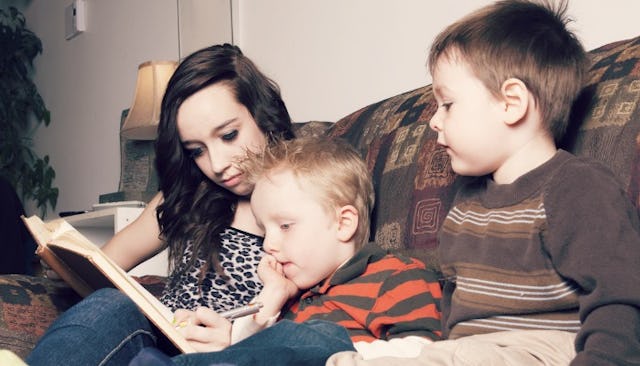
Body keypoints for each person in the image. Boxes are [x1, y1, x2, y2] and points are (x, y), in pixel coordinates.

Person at [327, 1, 640, 365]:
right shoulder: (466, 207)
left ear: (511, 103)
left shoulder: (577, 187)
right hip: (465, 351)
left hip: (540, 350)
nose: (433, 122)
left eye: (447, 104)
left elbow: (621, 299)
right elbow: (455, 320)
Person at [27, 43, 300, 365]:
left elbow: (322, 309)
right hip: (154, 340)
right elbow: (105, 265)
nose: (217, 164)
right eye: (196, 150)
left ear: (263, 115)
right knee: (111, 302)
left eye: (228, 135)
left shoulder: (304, 191)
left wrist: (240, 337)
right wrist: (63, 266)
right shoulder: (186, 195)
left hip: (226, 353)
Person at [130, 136, 442, 365]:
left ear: (343, 223)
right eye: (265, 231)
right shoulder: (294, 297)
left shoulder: (396, 277)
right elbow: (247, 353)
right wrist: (272, 295)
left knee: (307, 337)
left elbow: (424, 352)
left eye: (285, 227)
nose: (268, 244)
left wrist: (340, 354)